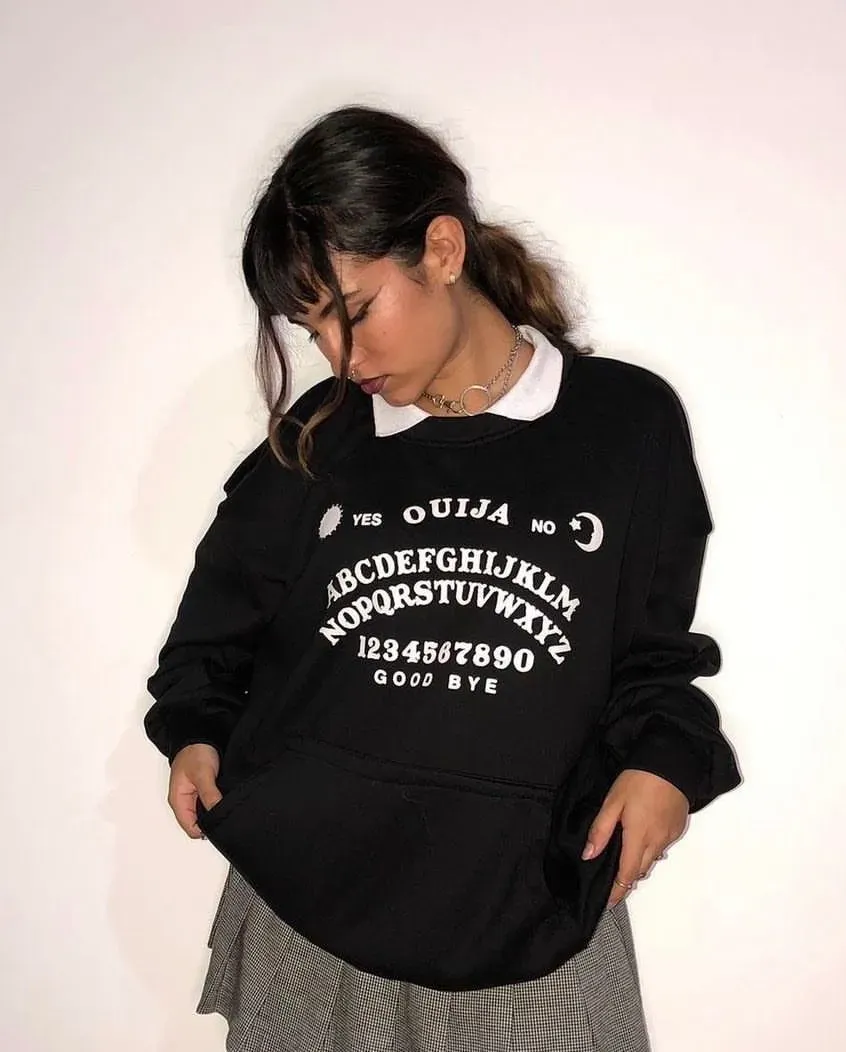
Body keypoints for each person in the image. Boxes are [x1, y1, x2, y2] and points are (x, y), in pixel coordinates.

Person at [144, 104, 741, 1052]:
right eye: (310, 328)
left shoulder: (623, 424)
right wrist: (195, 732)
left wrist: (662, 761)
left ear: (443, 249)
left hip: (525, 910)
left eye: (353, 311)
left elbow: (652, 651)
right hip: (309, 908)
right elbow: (211, 640)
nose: (339, 356)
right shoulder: (318, 440)